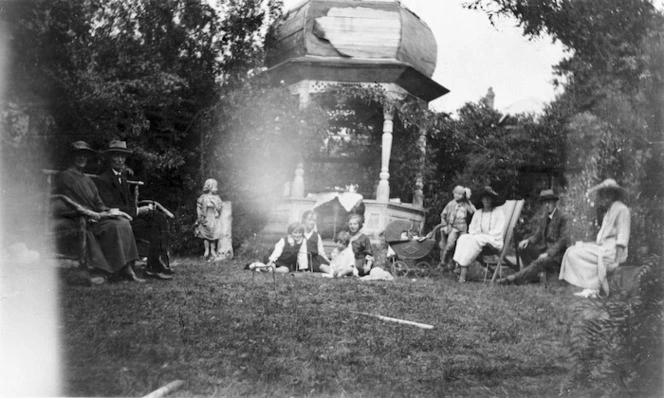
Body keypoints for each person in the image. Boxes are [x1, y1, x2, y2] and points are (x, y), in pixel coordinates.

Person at [55, 141, 142, 284]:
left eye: (84, 155)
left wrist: (112, 212)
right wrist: (93, 214)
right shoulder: (65, 177)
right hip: (80, 218)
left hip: (95, 217)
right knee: (114, 226)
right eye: (78, 155)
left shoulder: (88, 180)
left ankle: (127, 268)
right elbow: (67, 203)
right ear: (72, 157)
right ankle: (114, 270)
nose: (82, 158)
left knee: (123, 222)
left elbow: (99, 204)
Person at [95, 140, 173, 280]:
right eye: (116, 156)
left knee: (157, 218)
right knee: (150, 222)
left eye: (123, 157)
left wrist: (143, 210)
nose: (120, 160)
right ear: (109, 158)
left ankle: (156, 264)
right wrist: (138, 211)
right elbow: (110, 206)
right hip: (117, 220)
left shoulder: (123, 178)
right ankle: (153, 265)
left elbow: (130, 203)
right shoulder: (103, 179)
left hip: (129, 217)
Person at [559, 179, 631, 298]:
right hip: (604, 247)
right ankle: (589, 286)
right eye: (603, 193)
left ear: (615, 194)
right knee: (571, 251)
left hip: (613, 251)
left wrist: (616, 262)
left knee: (574, 253)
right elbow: (603, 238)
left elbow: (622, 238)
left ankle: (593, 288)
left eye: (609, 193)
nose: (605, 196)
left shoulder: (622, 209)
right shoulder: (609, 210)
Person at [498, 189, 570, 285]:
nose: (547, 205)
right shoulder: (544, 218)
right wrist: (527, 241)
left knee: (540, 261)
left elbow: (563, 240)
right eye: (544, 203)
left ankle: (514, 278)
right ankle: (533, 275)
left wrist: (548, 253)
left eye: (549, 202)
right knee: (523, 248)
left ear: (554, 203)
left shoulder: (563, 217)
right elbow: (537, 235)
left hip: (557, 256)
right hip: (545, 252)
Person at [452, 186, 506, 283]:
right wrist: (477, 234)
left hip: (493, 240)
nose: (487, 200)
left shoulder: (499, 212)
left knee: (475, 240)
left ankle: (462, 275)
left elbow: (498, 230)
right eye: (484, 198)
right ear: (481, 200)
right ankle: (459, 266)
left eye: (489, 198)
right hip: (478, 238)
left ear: (492, 199)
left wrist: (483, 235)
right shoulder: (478, 213)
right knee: (463, 238)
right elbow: (472, 228)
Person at [438, 185, 475, 269]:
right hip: (453, 226)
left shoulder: (465, 204)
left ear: (463, 196)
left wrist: (468, 201)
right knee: (449, 244)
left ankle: (458, 265)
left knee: (461, 245)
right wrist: (444, 224)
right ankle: (443, 261)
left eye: (460, 194)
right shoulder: (451, 204)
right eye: (456, 193)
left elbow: (473, 211)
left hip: (463, 227)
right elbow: (443, 214)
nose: (457, 195)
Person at [194, 178, 224, 261]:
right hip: (206, 217)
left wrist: (214, 203)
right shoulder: (203, 197)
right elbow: (199, 207)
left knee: (214, 235)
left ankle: (213, 251)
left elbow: (219, 209)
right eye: (215, 187)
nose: (217, 189)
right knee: (206, 236)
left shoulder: (217, 198)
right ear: (210, 187)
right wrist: (199, 216)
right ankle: (206, 251)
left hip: (214, 218)